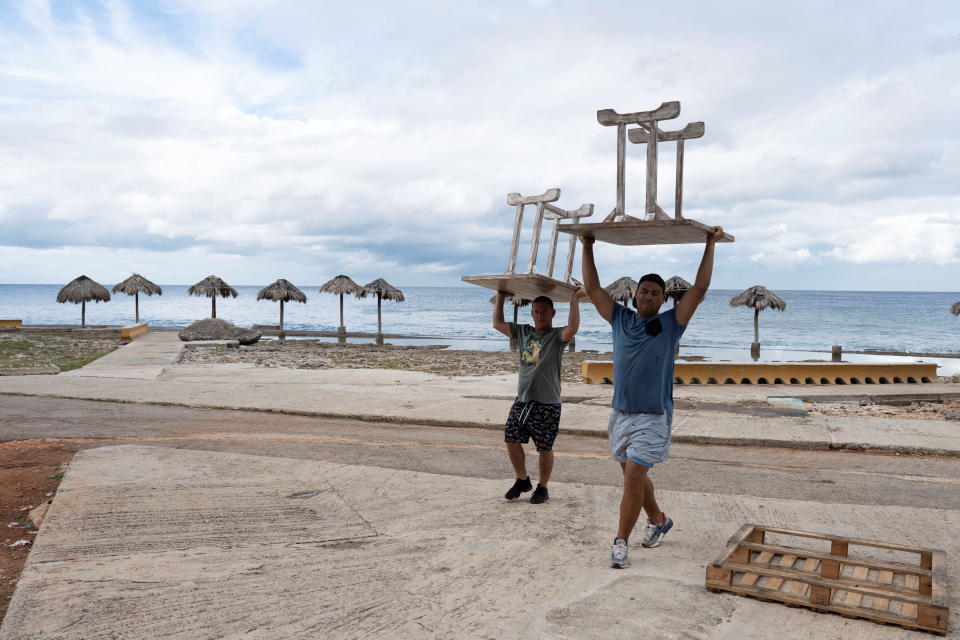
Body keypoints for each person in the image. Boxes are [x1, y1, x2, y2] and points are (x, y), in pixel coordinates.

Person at [580, 226, 724, 567]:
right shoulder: (619, 318)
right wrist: (587, 245)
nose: (648, 296)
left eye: (655, 293)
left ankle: (619, 542)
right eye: (643, 291)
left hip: (653, 415)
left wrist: (710, 243)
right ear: (634, 295)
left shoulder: (671, 324)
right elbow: (592, 288)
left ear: (663, 299)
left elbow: (700, 289)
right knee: (634, 477)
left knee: (632, 478)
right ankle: (660, 521)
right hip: (620, 413)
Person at [493, 287, 586, 504]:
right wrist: (500, 297)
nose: (540, 315)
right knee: (510, 438)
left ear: (553, 313)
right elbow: (497, 324)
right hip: (523, 401)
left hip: (547, 403)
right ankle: (522, 479)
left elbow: (573, 327)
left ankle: (543, 487)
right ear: (532, 313)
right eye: (536, 311)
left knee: (545, 447)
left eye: (545, 311)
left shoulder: (557, 336)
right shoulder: (525, 332)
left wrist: (575, 300)